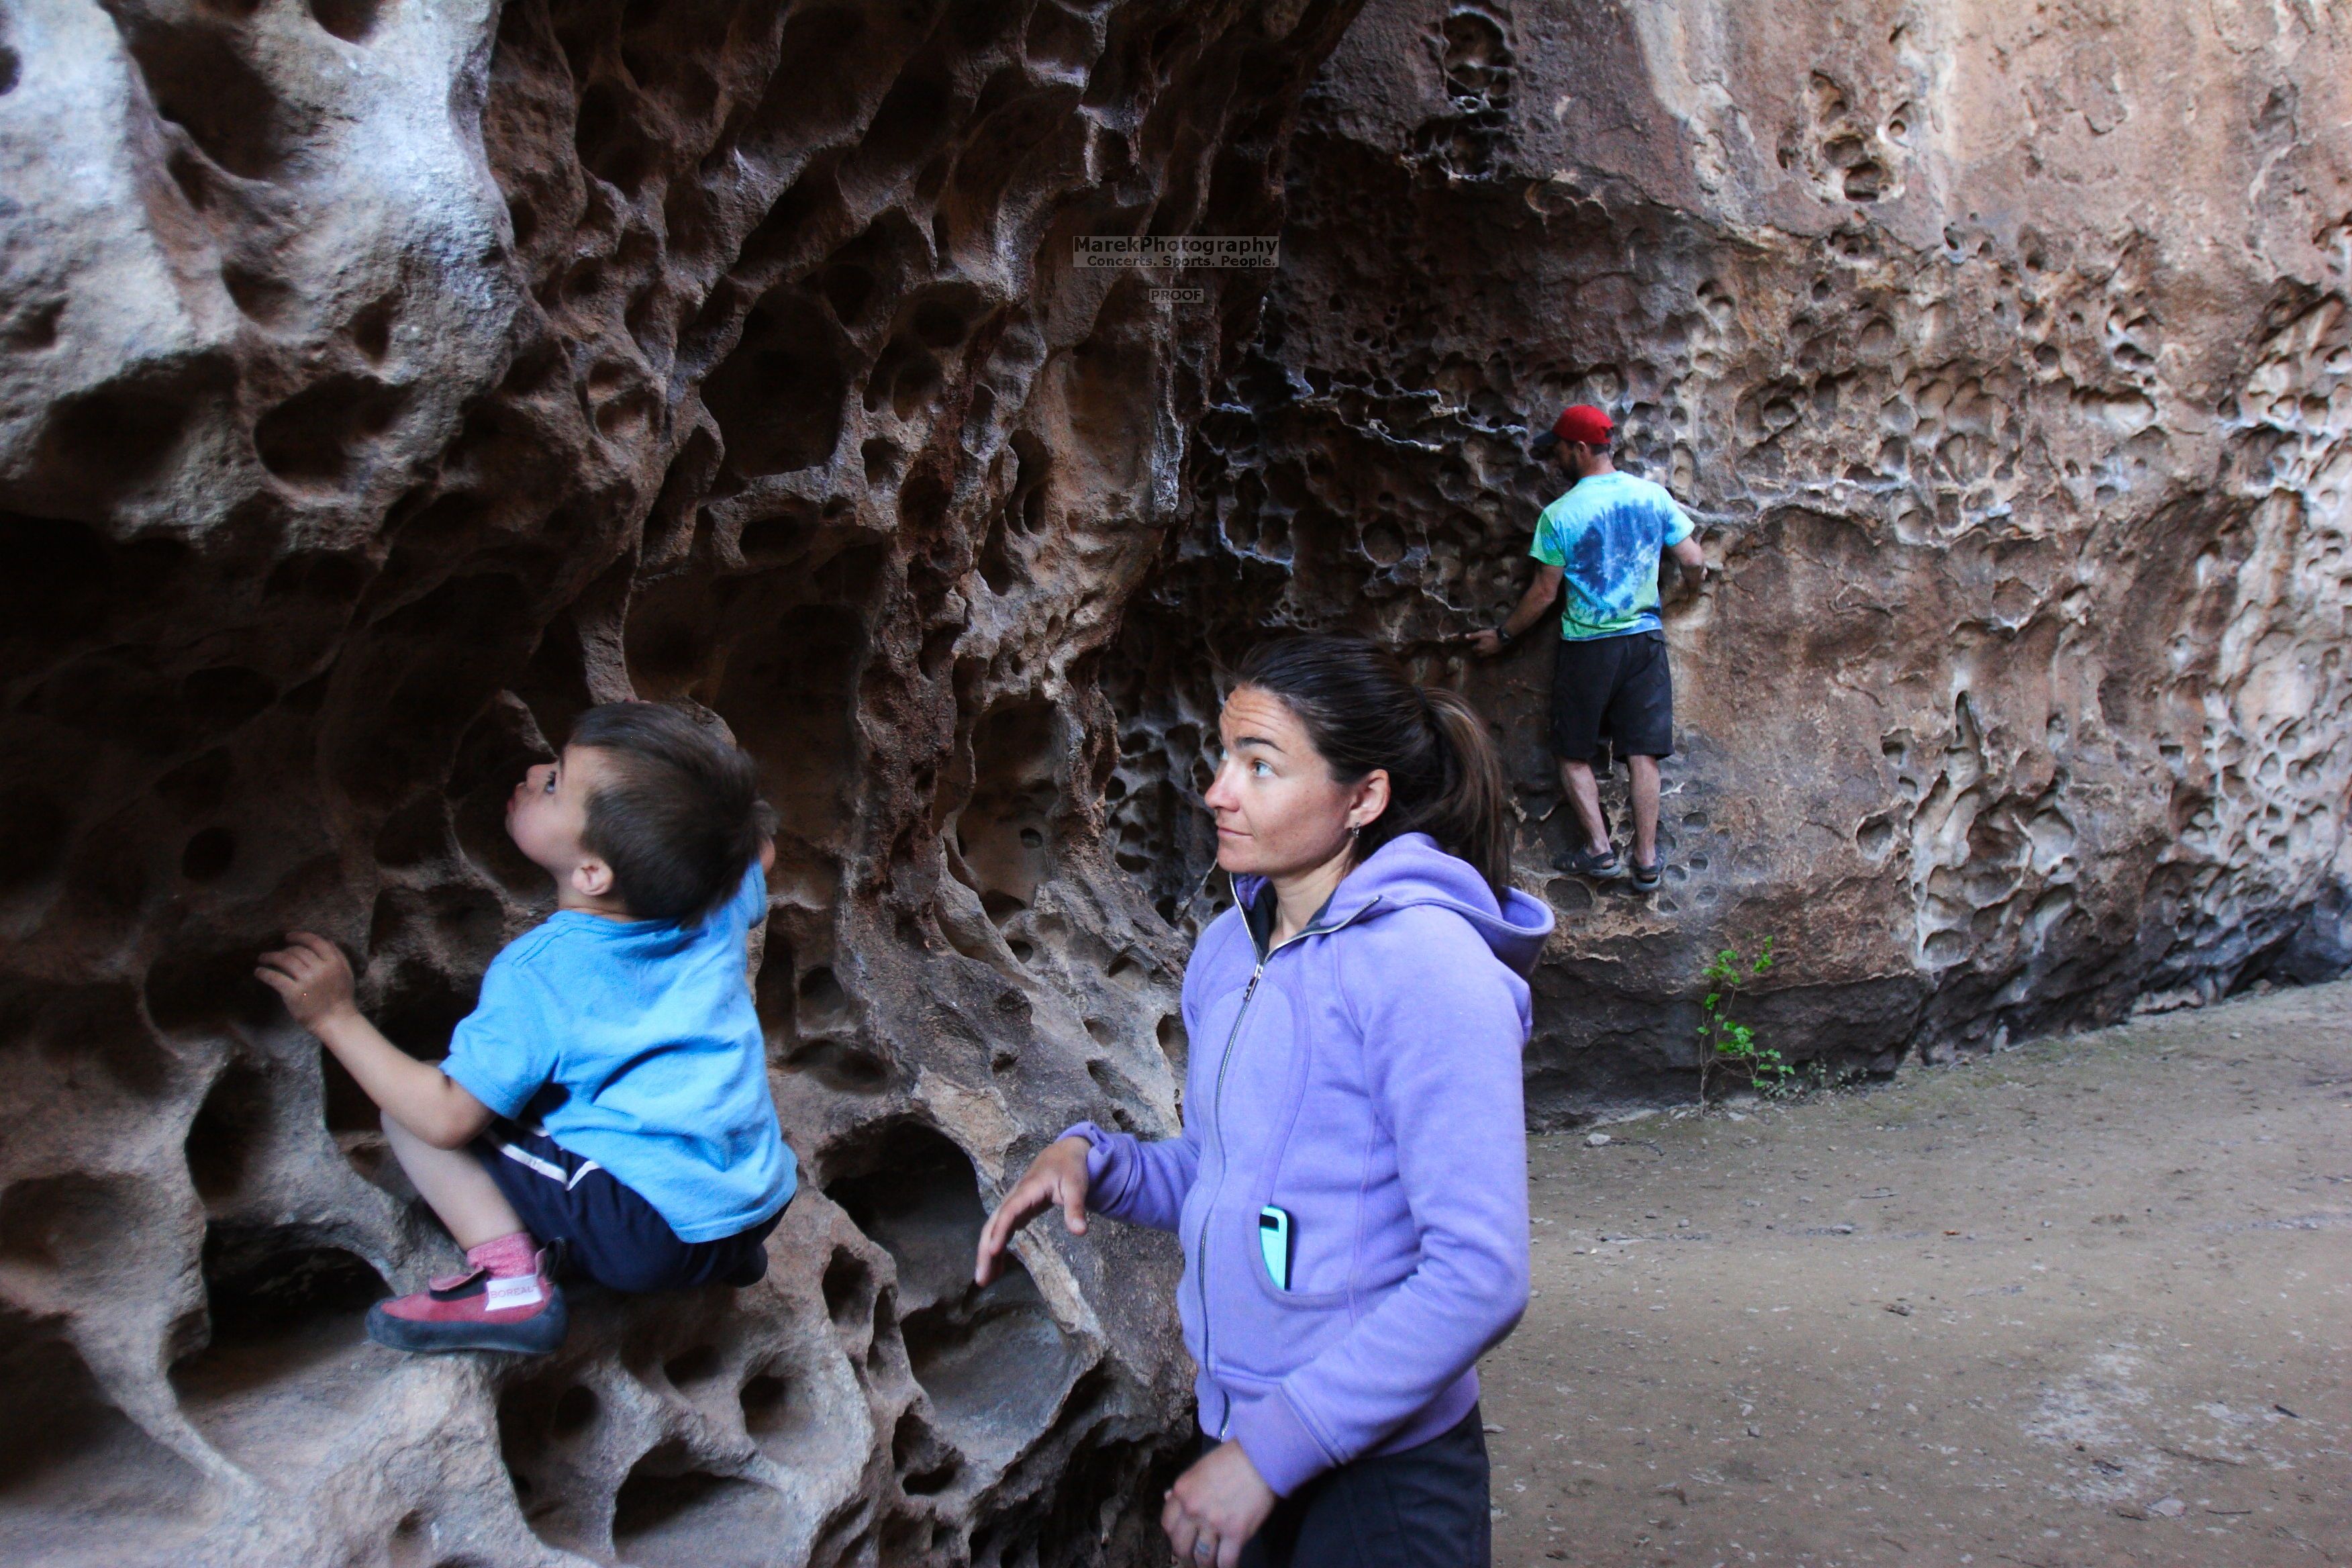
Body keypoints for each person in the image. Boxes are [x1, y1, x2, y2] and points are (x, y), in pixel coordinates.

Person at [974, 635, 1553, 1568]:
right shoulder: (1230, 950)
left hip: (1379, 1471)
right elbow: (1226, 1167)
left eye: (1260, 765)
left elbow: (1479, 1276)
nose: (1217, 791)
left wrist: (1272, 1453)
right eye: (1222, 756)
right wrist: (1098, 1162)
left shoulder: (1427, 968)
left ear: (1362, 798)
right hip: (1243, 1429)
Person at [257, 702, 796, 1355]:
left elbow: (447, 1117)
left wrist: (333, 1015)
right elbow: (757, 848)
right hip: (759, 1200)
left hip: (651, 1233)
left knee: (412, 1107)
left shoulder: (543, 972)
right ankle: (721, 1253)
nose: (536, 768)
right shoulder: (720, 893)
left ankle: (508, 1286)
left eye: (553, 783)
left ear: (594, 872)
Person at [1467, 403, 1706, 893]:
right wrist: (1685, 593)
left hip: (1589, 646)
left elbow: (1543, 593)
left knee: (1573, 752)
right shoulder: (1651, 496)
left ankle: (1599, 851)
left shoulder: (1560, 515)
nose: (1554, 461)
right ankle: (1646, 861)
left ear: (1579, 449)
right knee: (1644, 754)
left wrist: (1504, 637)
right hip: (1644, 641)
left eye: (1557, 451)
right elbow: (1693, 558)